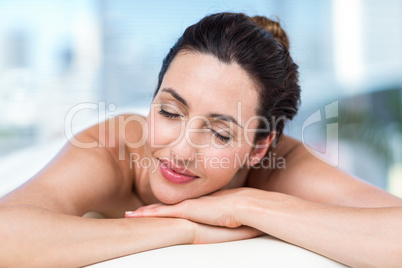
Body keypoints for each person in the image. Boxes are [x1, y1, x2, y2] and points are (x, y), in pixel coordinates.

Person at [0, 12, 401, 267]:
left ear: (259, 147)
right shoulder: (111, 147)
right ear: (153, 100)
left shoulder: (280, 164)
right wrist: (183, 228)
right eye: (170, 112)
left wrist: (247, 204)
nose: (180, 150)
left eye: (221, 132)